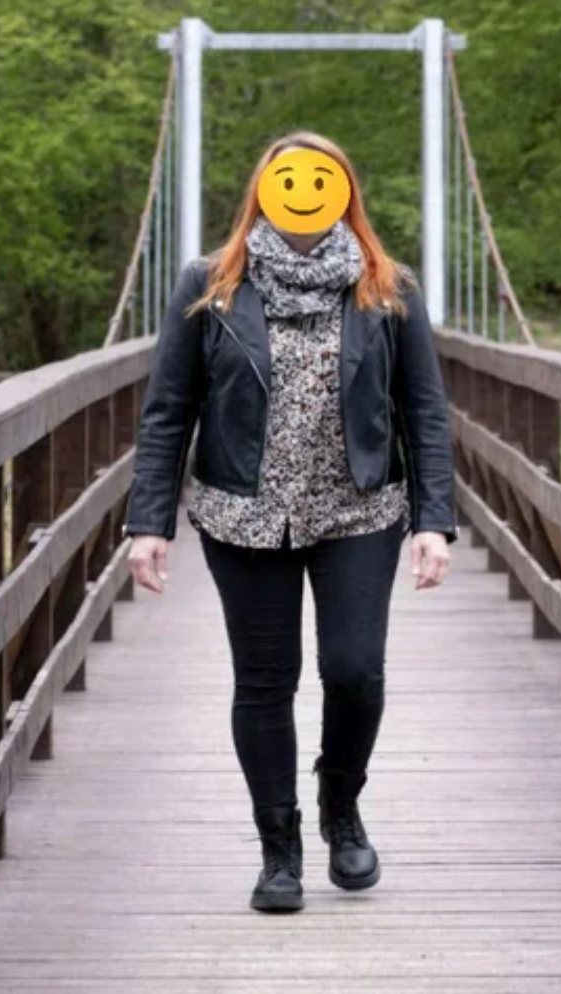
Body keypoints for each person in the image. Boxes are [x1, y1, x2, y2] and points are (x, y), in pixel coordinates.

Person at [123, 130, 457, 913]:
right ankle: (280, 849)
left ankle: (341, 805)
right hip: (243, 515)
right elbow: (168, 409)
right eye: (289, 180)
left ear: (345, 192)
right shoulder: (210, 283)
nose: (303, 193)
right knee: (265, 681)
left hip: (358, 509)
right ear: (261, 192)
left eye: (319, 179)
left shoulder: (388, 286)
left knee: (355, 672)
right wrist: (149, 521)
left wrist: (433, 518)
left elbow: (424, 410)